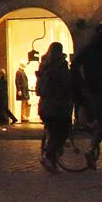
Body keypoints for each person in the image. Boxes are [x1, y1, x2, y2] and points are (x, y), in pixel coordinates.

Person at [74, 24, 102, 169]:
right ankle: (98, 153)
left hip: (94, 91)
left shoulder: (88, 48)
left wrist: (82, 82)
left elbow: (75, 64)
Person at [36, 42, 74, 171]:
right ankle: (49, 155)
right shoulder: (60, 66)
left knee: (53, 132)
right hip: (58, 105)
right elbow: (66, 83)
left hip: (45, 105)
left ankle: (52, 161)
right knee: (62, 132)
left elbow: (39, 89)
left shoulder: (43, 66)